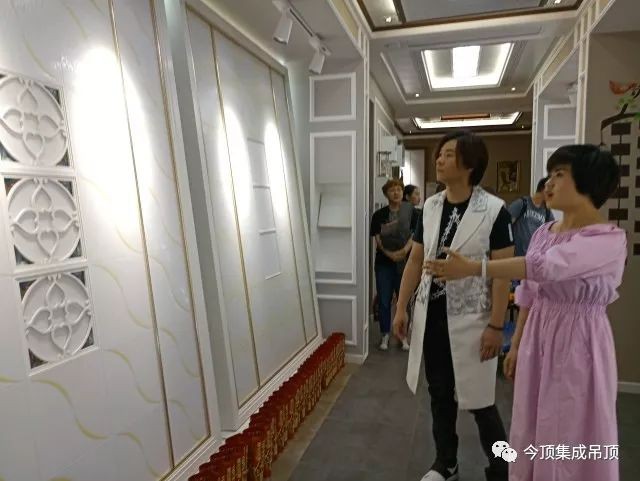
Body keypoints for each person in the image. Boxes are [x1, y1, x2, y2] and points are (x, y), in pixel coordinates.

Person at [424, 144, 625, 481]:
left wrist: (475, 268)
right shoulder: (545, 233)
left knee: (571, 421)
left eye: (560, 174)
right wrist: (516, 344)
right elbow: (530, 294)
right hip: (538, 335)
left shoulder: (608, 239)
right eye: (550, 174)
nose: (549, 182)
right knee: (532, 418)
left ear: (588, 181)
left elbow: (546, 267)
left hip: (579, 342)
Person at [393, 131, 514, 481]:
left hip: (474, 320)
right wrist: (401, 308)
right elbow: (416, 260)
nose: (439, 159)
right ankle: (446, 463)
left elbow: (502, 273)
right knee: (439, 395)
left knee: (482, 402)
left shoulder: (494, 210)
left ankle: (503, 467)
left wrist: (496, 325)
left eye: (448, 154)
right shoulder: (431, 207)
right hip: (432, 317)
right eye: (440, 154)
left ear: (469, 163)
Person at [371, 178, 419, 351]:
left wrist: (404, 251)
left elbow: (415, 235)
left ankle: (402, 336)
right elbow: (377, 238)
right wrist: (389, 253)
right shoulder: (379, 215)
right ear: (386, 194)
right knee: (384, 299)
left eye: (399, 189)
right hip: (384, 262)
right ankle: (385, 334)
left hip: (405, 262)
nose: (396, 192)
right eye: (392, 190)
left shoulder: (412, 213)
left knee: (404, 300)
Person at [508, 177, 554, 257]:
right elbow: (506, 227)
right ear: (544, 190)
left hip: (534, 258)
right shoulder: (522, 204)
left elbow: (552, 235)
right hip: (516, 257)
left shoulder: (548, 213)